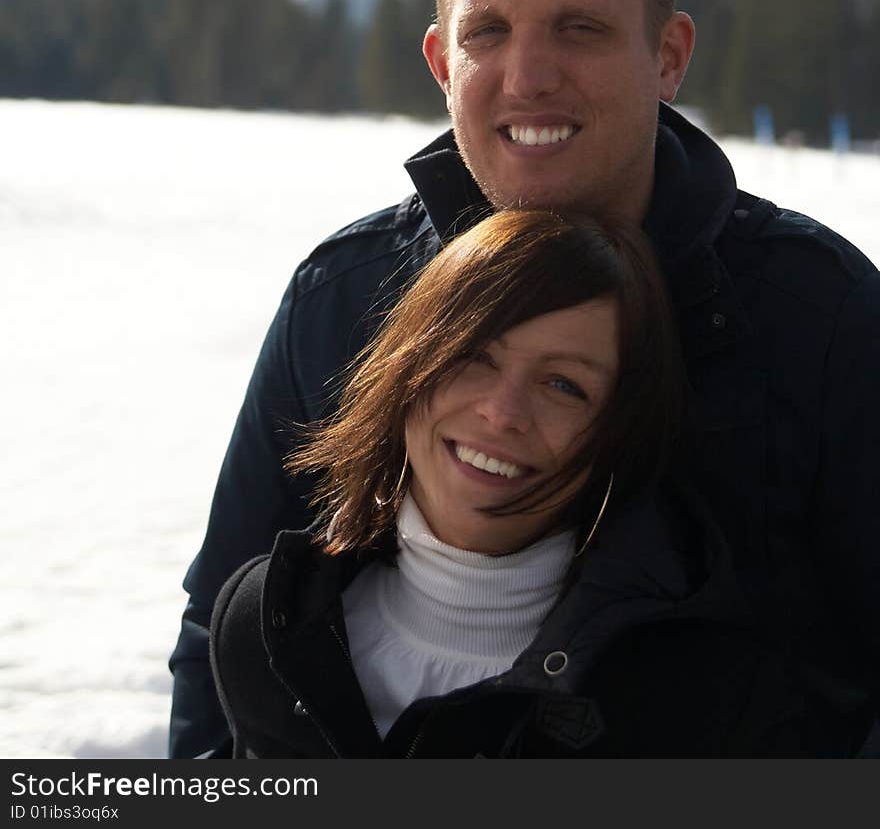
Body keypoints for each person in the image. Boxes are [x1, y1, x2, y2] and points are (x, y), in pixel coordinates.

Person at [169, 0, 880, 758]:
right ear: (439, 61)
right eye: (488, 32)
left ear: (668, 55)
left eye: (579, 28)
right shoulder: (344, 298)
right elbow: (225, 623)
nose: (528, 74)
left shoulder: (820, 319)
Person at [209, 210, 871, 757]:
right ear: (403, 369)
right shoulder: (268, 621)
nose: (501, 413)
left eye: (563, 385)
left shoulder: (699, 695)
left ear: (619, 431)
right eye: (473, 355)